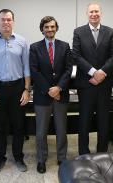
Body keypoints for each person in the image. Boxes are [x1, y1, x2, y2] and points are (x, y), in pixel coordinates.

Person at [0, 9, 31, 173]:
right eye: (3, 19)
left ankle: (18, 157)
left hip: (18, 88)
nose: (6, 22)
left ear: (13, 21)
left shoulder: (22, 41)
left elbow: (26, 68)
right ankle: (0, 158)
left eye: (9, 19)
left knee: (19, 125)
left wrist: (27, 90)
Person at [72, 3, 113, 155]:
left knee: (103, 121)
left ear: (100, 13)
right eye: (91, 12)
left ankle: (102, 153)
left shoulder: (110, 32)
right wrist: (93, 72)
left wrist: (102, 73)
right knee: (84, 121)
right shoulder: (78, 32)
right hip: (86, 85)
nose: (94, 14)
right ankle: (84, 153)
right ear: (87, 13)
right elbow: (76, 56)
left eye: (96, 11)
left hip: (104, 85)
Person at [30, 16, 72, 173]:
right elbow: (34, 70)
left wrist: (59, 88)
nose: (50, 29)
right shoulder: (34, 48)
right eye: (46, 27)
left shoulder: (65, 46)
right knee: (41, 132)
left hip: (61, 95)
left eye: (52, 26)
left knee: (61, 130)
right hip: (42, 95)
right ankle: (41, 159)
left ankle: (62, 157)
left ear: (56, 28)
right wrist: (49, 90)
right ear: (42, 29)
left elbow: (69, 70)